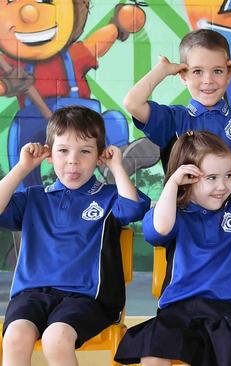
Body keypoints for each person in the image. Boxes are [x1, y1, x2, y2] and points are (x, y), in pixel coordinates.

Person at [114, 131, 231, 366]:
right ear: (189, 177)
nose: (223, 186)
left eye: (228, 175)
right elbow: (157, 230)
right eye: (211, 177)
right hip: (180, 308)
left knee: (229, 350)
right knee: (153, 351)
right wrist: (172, 183)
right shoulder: (173, 213)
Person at [0, 105, 150, 366]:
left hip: (87, 298)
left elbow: (134, 208)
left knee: (56, 338)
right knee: (14, 336)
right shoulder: (35, 198)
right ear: (49, 154)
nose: (73, 160)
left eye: (85, 151)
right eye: (63, 151)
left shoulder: (108, 197)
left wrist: (116, 167)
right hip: (32, 295)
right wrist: (23, 168)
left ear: (99, 155)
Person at [123, 28, 231, 170]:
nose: (208, 80)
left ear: (229, 74)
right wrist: (162, 70)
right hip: (184, 211)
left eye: (217, 71)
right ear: (183, 76)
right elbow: (132, 103)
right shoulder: (173, 120)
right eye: (197, 71)